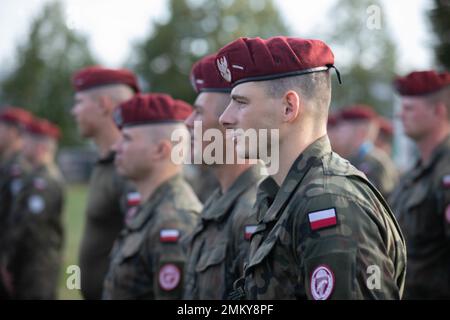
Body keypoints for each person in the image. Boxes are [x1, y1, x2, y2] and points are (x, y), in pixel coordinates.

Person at [217, 36, 406, 299]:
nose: (224, 118)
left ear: (288, 107)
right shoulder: (283, 196)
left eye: (241, 102)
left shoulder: (330, 204)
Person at [102, 93, 202, 299]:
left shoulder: (174, 221)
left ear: (160, 150)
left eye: (127, 139)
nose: (116, 147)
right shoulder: (149, 208)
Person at [183, 54, 263, 299]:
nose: (187, 123)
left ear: (229, 123)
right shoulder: (218, 199)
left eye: (198, 113)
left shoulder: (253, 211)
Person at [71, 66, 140, 299]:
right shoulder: (106, 163)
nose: (74, 111)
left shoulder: (129, 168)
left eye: (79, 102)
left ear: (103, 104)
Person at [389, 70, 450, 299]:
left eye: (409, 108)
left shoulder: (446, 172)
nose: (400, 115)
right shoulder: (413, 174)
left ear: (438, 111)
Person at [5, 116, 65, 299]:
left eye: (27, 141)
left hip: (37, 267)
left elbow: (30, 227)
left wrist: (9, 261)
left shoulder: (43, 182)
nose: (22, 146)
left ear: (40, 147)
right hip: (30, 264)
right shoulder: (36, 177)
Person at [0, 107, 32, 298]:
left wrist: (7, 261)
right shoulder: (7, 164)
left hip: (12, 261)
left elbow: (19, 220)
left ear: (12, 132)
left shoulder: (19, 168)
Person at [334, 105, 398, 198]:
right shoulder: (348, 158)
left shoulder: (376, 163)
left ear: (361, 132)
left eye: (342, 129)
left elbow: (388, 203)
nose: (338, 134)